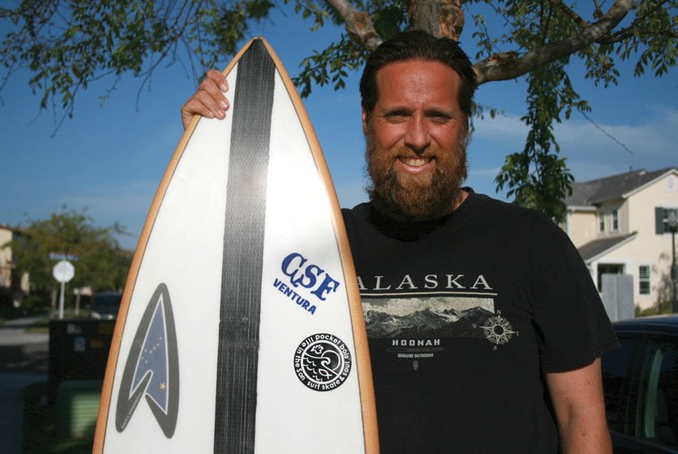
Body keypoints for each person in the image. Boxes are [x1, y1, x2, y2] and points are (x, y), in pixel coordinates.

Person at [181, 31, 618, 453]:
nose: (417, 138)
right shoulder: (322, 246)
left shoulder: (533, 243)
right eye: (397, 115)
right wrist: (208, 153)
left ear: (464, 125)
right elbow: (220, 305)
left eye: (438, 116)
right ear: (367, 120)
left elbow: (581, 415)